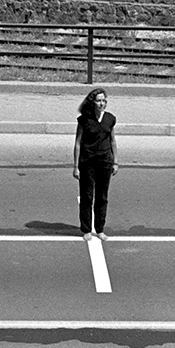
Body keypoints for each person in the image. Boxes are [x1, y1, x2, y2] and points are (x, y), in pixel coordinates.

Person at [73, 88, 118, 241]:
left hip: (105, 162)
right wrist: (76, 166)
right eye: (99, 101)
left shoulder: (110, 119)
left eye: (104, 101)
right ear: (92, 102)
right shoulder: (84, 119)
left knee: (102, 196)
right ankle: (86, 229)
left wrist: (115, 161)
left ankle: (99, 229)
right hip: (87, 163)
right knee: (87, 196)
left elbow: (112, 140)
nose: (101, 104)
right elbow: (78, 143)